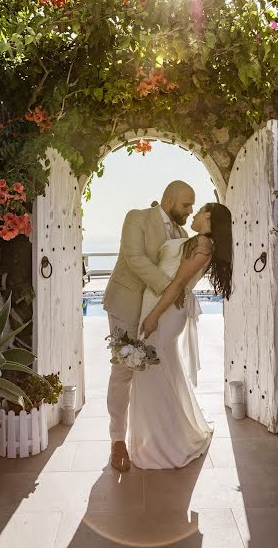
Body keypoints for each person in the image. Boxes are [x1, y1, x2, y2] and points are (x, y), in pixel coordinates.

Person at [128, 202, 232, 469]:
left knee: (154, 375)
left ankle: (168, 444)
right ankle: (163, 436)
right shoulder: (192, 240)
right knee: (162, 373)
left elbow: (177, 284)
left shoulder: (203, 245)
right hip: (158, 306)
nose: (194, 213)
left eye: (198, 211)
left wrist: (153, 317)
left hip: (164, 312)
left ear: (208, 215)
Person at [103, 180, 195, 472]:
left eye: (192, 205)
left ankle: (155, 437)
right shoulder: (137, 217)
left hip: (158, 312)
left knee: (154, 371)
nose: (191, 210)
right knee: (123, 370)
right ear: (169, 200)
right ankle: (117, 439)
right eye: (186, 204)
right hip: (126, 304)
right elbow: (135, 258)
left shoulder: (182, 234)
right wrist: (170, 288)